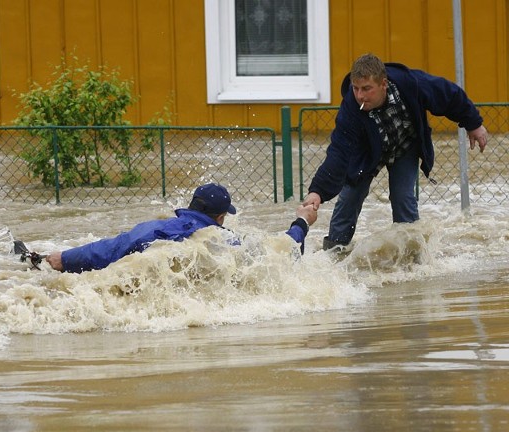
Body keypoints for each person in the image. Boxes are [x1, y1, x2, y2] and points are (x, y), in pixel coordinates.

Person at [302, 53, 488, 250]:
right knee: (351, 195)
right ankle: (335, 249)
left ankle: (412, 254)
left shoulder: (411, 84)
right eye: (356, 88)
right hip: (367, 153)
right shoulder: (351, 108)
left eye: (366, 89)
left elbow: (449, 95)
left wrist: (473, 124)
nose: (360, 96)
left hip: (404, 146)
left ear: (383, 84)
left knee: (402, 196)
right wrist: (317, 192)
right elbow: (338, 152)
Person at [46, 183, 318, 273]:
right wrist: (302, 221)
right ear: (221, 217)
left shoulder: (160, 227)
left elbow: (115, 247)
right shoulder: (224, 240)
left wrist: (65, 259)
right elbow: (284, 254)